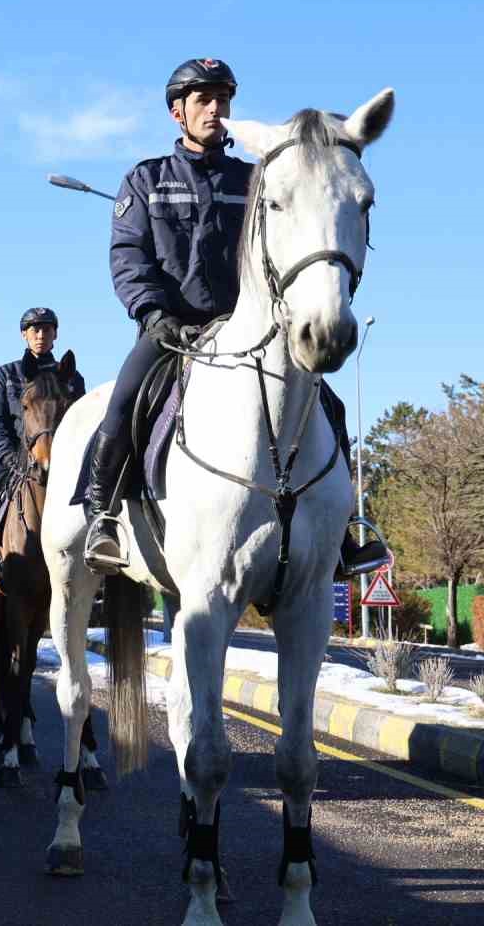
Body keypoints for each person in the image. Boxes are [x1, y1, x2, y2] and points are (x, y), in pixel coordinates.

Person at [80, 58, 390, 578]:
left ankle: (341, 534)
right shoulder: (147, 179)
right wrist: (154, 313)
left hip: (248, 327)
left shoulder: (258, 178)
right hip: (172, 330)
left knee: (327, 405)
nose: (216, 109)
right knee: (124, 401)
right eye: (203, 99)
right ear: (178, 112)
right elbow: (128, 257)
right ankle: (103, 516)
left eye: (223, 99)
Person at [0, 307, 86, 591]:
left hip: (62, 460)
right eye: (34, 329)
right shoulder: (6, 374)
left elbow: (81, 419)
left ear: (55, 334)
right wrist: (8, 456)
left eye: (46, 329)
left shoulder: (71, 377)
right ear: (24, 335)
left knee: (99, 495)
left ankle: (97, 561)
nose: (40, 334)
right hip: (16, 459)